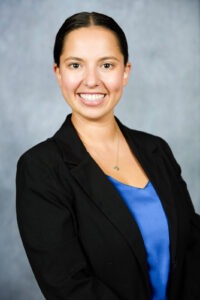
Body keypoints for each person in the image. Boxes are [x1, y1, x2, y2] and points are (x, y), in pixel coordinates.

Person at [16, 12, 200, 300]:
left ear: (125, 72)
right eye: (75, 65)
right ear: (58, 72)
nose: (91, 81)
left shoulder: (157, 149)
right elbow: (68, 286)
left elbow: (193, 246)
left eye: (106, 65)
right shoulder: (40, 168)